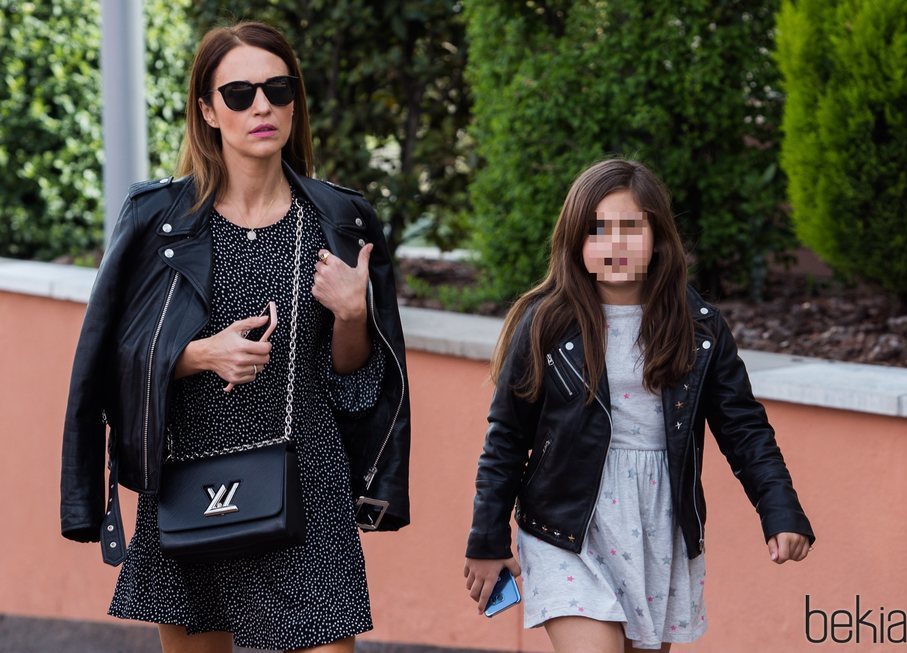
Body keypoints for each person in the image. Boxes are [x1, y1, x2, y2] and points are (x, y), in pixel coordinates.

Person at [60, 21, 410, 653]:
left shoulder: (338, 218)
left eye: (278, 89)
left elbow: (358, 382)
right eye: (240, 93)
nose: (262, 107)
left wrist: (355, 316)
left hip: (308, 481)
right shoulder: (156, 221)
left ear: (295, 101)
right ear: (207, 110)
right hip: (193, 477)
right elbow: (104, 365)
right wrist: (196, 355)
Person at [463, 159, 814, 652]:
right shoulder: (546, 324)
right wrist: (487, 540)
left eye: (631, 227)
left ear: (658, 237)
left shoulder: (700, 327)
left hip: (658, 524)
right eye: (597, 230)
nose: (615, 244)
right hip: (567, 525)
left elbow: (745, 429)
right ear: (574, 243)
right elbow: (505, 438)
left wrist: (780, 509)